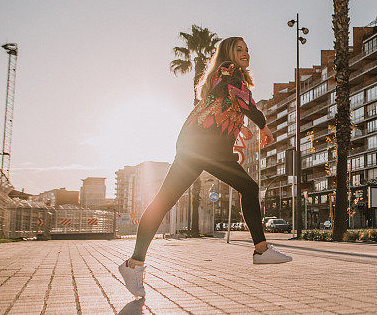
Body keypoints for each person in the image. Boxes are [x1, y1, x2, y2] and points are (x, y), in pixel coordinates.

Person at [118, 37, 291, 298]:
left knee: (165, 201)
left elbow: (224, 104)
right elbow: (242, 97)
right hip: (204, 148)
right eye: (239, 50)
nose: (245, 53)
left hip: (200, 147)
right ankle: (261, 250)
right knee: (245, 188)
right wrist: (262, 124)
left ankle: (134, 263)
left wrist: (240, 126)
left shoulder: (223, 76)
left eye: (247, 50)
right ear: (227, 54)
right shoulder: (230, 71)